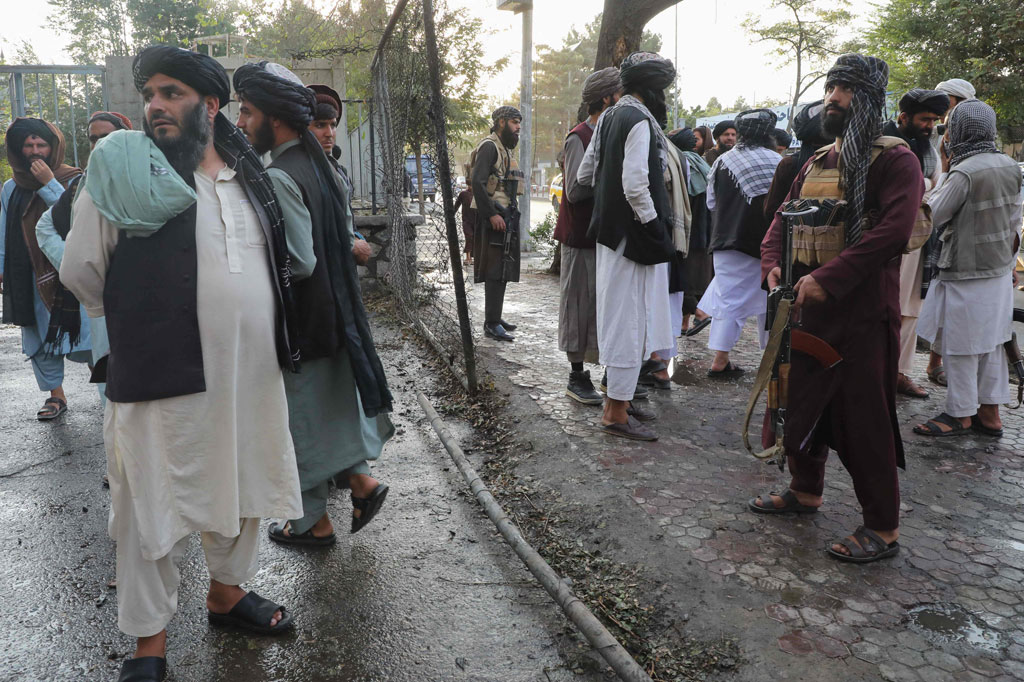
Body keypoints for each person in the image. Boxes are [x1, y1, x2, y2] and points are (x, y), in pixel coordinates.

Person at [61, 46, 309, 681]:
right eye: (151, 95)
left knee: (245, 482)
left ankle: (226, 594)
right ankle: (149, 644)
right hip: (159, 377)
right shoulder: (124, 172)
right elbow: (84, 271)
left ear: (212, 105)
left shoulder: (249, 173)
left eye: (172, 93)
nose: (156, 106)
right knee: (149, 501)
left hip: (249, 374)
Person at [749, 53, 924, 565]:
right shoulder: (816, 160)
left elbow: (893, 231)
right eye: (830, 86)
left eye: (844, 88)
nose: (832, 97)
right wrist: (771, 264)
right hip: (805, 311)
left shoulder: (897, 160)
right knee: (797, 401)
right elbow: (784, 218)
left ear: (868, 98)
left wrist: (830, 279)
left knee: (862, 418)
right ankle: (806, 491)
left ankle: (882, 526)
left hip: (862, 315)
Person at [233, 61, 394, 547]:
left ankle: (314, 524)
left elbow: (299, 261)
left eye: (246, 112)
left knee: (298, 421)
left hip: (305, 318)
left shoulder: (282, 174)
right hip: (336, 310)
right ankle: (361, 483)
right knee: (327, 409)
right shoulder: (319, 165)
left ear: (274, 120)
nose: (240, 123)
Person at [578, 51, 679, 441]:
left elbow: (587, 175)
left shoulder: (607, 118)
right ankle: (615, 413)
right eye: (662, 92)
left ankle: (617, 402)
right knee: (628, 321)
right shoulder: (638, 119)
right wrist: (653, 226)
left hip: (611, 236)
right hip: (633, 239)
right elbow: (635, 183)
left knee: (630, 318)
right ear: (651, 91)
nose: (665, 101)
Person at [913, 100, 1022, 438]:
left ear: (957, 132)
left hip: (966, 272)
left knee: (960, 346)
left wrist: (942, 171)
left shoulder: (965, 172)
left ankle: (959, 414)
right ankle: (990, 416)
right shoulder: (1010, 166)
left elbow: (932, 215)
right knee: (992, 343)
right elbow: (1015, 221)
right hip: (1000, 270)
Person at [35, 111, 133, 408]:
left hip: (149, 299)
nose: (98, 145)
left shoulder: (149, 175)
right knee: (112, 392)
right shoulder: (83, 184)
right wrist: (86, 267)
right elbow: (46, 226)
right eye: (93, 139)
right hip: (105, 301)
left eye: (106, 137)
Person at [1, 117, 88, 421]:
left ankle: (108, 389)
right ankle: (56, 396)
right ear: (19, 149)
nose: (35, 150)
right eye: (28, 144)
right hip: (30, 274)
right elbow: (5, 232)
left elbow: (76, 220)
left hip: (72, 270)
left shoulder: (74, 179)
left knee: (87, 333)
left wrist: (50, 182)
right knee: (40, 336)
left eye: (41, 143)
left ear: (53, 147)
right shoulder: (10, 188)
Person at [698, 109, 782, 377]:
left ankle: (720, 361)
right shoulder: (777, 161)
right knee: (773, 300)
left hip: (726, 241)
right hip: (768, 244)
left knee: (728, 301)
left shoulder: (723, 161)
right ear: (767, 133)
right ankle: (773, 362)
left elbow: (711, 203)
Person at [554, 66, 619, 405]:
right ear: (607, 98)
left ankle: (612, 373)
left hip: (603, 238)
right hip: (580, 238)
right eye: (618, 94)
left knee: (604, 305)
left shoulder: (608, 133)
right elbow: (575, 191)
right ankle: (577, 376)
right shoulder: (579, 137)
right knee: (578, 304)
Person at [883, 89, 949, 399]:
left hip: (920, 239)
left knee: (910, 308)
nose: (930, 126)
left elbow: (937, 186)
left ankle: (899, 373)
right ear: (904, 117)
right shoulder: (884, 143)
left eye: (935, 120)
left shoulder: (929, 149)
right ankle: (874, 372)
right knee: (883, 307)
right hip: (887, 239)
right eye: (925, 119)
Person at [471, 106, 524, 341]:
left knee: (503, 267)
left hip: (505, 215)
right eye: (514, 122)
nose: (518, 127)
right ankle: (491, 323)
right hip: (494, 216)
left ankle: (495, 316)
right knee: (494, 269)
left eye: (519, 123)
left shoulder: (503, 148)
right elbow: (477, 182)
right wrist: (491, 215)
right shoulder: (489, 146)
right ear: (501, 123)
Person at [306, 83, 372, 268]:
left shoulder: (338, 169)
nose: (329, 134)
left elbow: (346, 217)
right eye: (320, 125)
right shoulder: (300, 171)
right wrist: (352, 245)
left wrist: (356, 238)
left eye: (333, 125)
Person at [668, 128, 713, 336]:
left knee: (679, 276)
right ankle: (684, 323)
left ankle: (699, 312)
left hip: (688, 227)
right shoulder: (702, 163)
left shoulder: (681, 163)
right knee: (690, 276)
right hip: (705, 227)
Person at [456, 167, 475, 267]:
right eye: (470, 184)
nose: (471, 187)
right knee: (469, 237)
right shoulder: (463, 194)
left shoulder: (478, 194)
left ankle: (472, 257)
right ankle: (468, 258)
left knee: (475, 238)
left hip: (477, 221)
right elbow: (456, 206)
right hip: (467, 221)